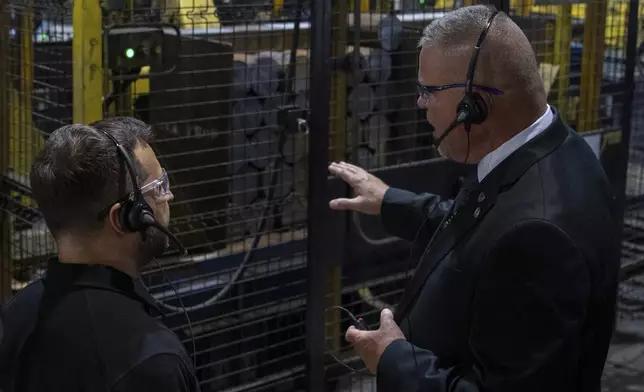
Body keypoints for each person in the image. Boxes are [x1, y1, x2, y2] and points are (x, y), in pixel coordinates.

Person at [329, 5, 621, 392]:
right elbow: (481, 229)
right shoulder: (550, 150)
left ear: (475, 104)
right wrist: (389, 201)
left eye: (428, 92)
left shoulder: (539, 235)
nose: (419, 104)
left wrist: (394, 361)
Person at [0, 117, 199, 392]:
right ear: (126, 218)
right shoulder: (150, 361)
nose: (169, 196)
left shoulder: (13, 316)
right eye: (159, 187)